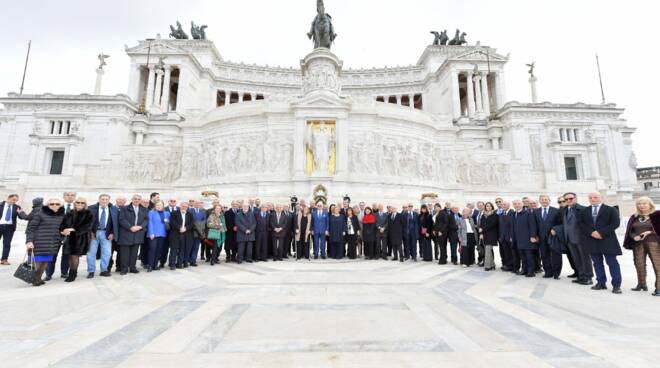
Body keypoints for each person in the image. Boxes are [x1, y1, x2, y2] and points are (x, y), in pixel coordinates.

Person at [579, 192, 622, 294]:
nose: (592, 199)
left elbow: (615, 223)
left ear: (601, 198)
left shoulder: (611, 210)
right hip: (592, 240)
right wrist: (591, 232)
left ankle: (616, 285)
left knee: (612, 263)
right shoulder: (585, 211)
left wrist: (601, 233)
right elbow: (581, 224)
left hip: (608, 240)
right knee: (597, 263)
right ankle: (601, 283)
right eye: (590, 198)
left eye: (595, 197)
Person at [622, 196, 660, 296]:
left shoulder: (656, 215)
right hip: (638, 243)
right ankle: (642, 284)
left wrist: (650, 231)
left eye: (644, 203)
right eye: (639, 204)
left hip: (654, 243)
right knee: (639, 264)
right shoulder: (635, 217)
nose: (641, 205)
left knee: (658, 265)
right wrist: (634, 237)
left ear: (650, 204)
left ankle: (659, 288)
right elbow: (630, 230)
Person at [25, 198, 64, 286]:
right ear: (47, 205)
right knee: (38, 262)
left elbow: (62, 228)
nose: (54, 205)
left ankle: (38, 278)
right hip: (39, 242)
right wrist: (29, 241)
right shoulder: (40, 213)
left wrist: (62, 235)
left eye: (57, 204)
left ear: (60, 206)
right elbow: (31, 228)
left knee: (45, 262)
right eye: (52, 204)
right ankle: (35, 279)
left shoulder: (62, 215)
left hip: (52, 243)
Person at [558, 192, 594, 285]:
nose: (568, 201)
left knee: (585, 259)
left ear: (576, 198)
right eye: (566, 199)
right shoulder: (564, 210)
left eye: (571, 198)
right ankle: (581, 276)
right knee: (577, 259)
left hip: (581, 239)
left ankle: (588, 277)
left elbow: (588, 224)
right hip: (569, 239)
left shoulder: (583, 209)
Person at [59, 197, 93, 282]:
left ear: (85, 204)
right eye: (78, 202)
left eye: (82, 203)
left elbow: (87, 227)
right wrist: (63, 231)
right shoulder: (70, 213)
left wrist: (72, 229)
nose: (80, 204)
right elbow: (63, 224)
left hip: (80, 239)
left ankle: (72, 274)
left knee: (74, 256)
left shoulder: (88, 213)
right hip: (69, 238)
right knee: (69, 256)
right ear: (75, 203)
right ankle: (72, 273)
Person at [87, 194, 119, 278]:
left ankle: (104, 270)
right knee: (91, 253)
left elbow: (115, 223)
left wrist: (112, 233)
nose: (104, 201)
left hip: (107, 234)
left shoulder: (114, 209)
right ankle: (91, 271)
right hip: (94, 233)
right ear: (99, 199)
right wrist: (90, 232)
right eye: (102, 199)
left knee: (107, 253)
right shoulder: (91, 208)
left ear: (109, 200)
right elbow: (87, 222)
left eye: (106, 199)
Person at [45, 191, 75, 280]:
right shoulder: (56, 206)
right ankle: (48, 274)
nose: (70, 196)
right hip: (56, 235)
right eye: (67, 195)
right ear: (64, 197)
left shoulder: (77, 208)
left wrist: (71, 230)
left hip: (70, 236)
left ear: (74, 197)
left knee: (66, 255)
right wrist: (60, 231)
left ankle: (64, 273)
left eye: (72, 195)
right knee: (52, 254)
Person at [117, 194, 148, 275]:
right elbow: (121, 219)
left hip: (138, 233)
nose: (137, 200)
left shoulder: (144, 209)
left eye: (138, 199)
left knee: (134, 252)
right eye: (135, 199)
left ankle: (132, 267)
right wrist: (130, 227)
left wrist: (140, 227)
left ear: (140, 200)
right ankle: (124, 268)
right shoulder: (124, 208)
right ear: (132, 199)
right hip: (126, 233)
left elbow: (146, 220)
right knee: (124, 253)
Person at [534, 195, 560, 278]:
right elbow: (534, 224)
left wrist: (555, 229)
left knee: (555, 255)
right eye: (542, 200)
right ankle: (548, 272)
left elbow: (560, 223)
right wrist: (535, 235)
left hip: (553, 237)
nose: (544, 201)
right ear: (540, 201)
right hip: (541, 238)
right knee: (544, 255)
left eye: (546, 199)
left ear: (549, 200)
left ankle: (556, 273)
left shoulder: (556, 210)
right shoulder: (536, 211)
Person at [511, 199, 539, 277]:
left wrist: (533, 236)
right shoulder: (514, 214)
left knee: (529, 256)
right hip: (518, 239)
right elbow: (513, 227)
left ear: (522, 204)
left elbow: (532, 225)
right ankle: (524, 270)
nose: (517, 205)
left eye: (518, 203)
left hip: (527, 239)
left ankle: (531, 271)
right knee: (522, 257)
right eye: (515, 204)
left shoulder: (528, 213)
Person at [169, 202, 194, 269]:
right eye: (183, 206)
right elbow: (172, 222)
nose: (184, 208)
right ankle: (172, 264)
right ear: (180, 206)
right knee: (174, 249)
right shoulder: (174, 213)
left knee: (182, 249)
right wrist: (179, 228)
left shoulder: (190, 214)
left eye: (186, 207)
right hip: (175, 234)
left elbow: (192, 223)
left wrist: (185, 228)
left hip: (185, 234)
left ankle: (179, 264)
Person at [146, 200, 170, 272]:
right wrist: (151, 233)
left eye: (160, 205)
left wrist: (167, 221)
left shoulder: (167, 213)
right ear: (155, 206)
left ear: (163, 206)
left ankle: (155, 265)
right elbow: (150, 223)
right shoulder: (151, 212)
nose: (159, 206)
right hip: (153, 234)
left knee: (158, 250)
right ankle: (150, 265)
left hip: (162, 234)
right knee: (152, 249)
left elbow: (168, 223)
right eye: (157, 205)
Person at [0, 194, 22, 265]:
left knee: (7, 244)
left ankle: (4, 259)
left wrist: (20, 213)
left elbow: (21, 217)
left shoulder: (17, 207)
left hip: (9, 228)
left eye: (16, 200)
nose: (14, 201)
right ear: (9, 198)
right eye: (13, 200)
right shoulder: (0, 205)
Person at [479, 202, 499, 271]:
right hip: (485, 235)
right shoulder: (483, 215)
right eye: (487, 206)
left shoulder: (495, 215)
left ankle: (488, 266)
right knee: (488, 250)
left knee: (488, 249)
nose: (488, 207)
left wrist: (483, 229)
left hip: (492, 234)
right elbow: (481, 224)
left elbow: (493, 224)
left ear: (492, 207)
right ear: (485, 207)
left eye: (490, 206)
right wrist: (481, 233)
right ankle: (492, 264)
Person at [498, 201, 515, 272]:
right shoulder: (501, 214)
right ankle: (508, 265)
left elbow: (513, 226)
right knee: (506, 252)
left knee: (513, 253)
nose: (503, 206)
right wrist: (500, 236)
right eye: (502, 205)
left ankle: (514, 266)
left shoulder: (513, 213)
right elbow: (500, 226)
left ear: (509, 205)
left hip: (510, 237)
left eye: (505, 204)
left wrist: (512, 236)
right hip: (503, 237)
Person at [189, 200, 206, 267]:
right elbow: (189, 220)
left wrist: (199, 227)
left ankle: (193, 260)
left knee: (196, 247)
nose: (197, 204)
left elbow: (204, 220)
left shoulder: (203, 211)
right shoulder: (190, 211)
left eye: (199, 203)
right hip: (192, 231)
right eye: (196, 203)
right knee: (190, 247)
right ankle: (188, 259)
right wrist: (196, 225)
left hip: (199, 232)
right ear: (193, 204)